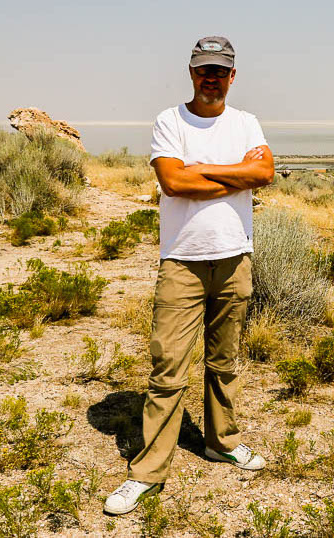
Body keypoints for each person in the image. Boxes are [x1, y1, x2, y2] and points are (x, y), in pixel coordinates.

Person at [104, 36, 275, 516]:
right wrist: (236, 174)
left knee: (225, 361)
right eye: (204, 70)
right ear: (191, 72)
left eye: (220, 70)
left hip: (235, 257)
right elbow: (173, 181)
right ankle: (147, 473)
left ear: (232, 75)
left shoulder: (246, 122)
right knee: (168, 369)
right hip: (182, 261)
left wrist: (204, 170)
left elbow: (265, 174)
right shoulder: (170, 121)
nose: (211, 78)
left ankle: (222, 442)